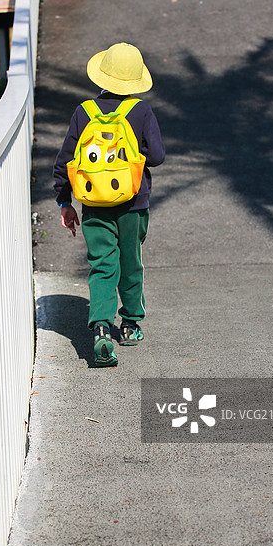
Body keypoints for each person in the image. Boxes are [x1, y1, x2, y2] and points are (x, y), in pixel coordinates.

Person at [53, 42, 165, 367]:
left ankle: (102, 326)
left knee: (103, 265)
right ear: (134, 82)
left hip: (93, 205)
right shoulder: (141, 112)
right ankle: (129, 326)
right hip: (133, 204)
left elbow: (64, 162)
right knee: (131, 263)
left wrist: (65, 202)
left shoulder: (83, 112)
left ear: (102, 75)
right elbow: (157, 157)